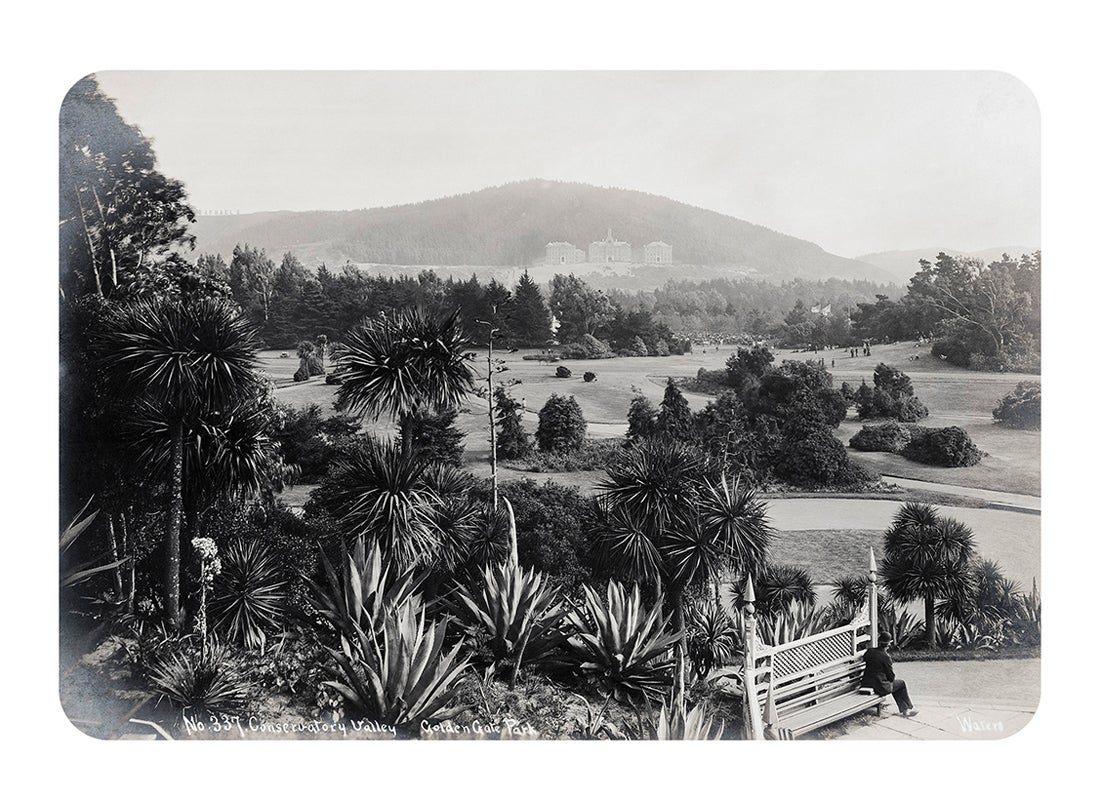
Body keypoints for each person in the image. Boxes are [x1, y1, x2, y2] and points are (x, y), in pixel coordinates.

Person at [861, 632, 918, 717]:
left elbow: (866, 658)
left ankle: (906, 710)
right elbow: (891, 677)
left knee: (895, 685)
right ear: (888, 644)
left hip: (866, 683)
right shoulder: (886, 657)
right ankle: (909, 707)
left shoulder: (870, 651)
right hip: (879, 686)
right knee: (901, 684)